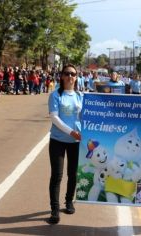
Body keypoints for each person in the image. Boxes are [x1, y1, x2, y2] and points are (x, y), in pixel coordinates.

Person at [47, 64, 83, 224]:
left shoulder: (80, 96)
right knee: (57, 175)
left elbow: (87, 117)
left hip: (75, 142)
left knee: (73, 174)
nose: (70, 77)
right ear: (61, 76)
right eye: (67, 74)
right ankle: (54, 210)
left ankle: (69, 201)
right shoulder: (55, 95)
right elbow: (54, 117)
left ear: (76, 77)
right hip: (58, 141)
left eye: (73, 74)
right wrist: (71, 132)